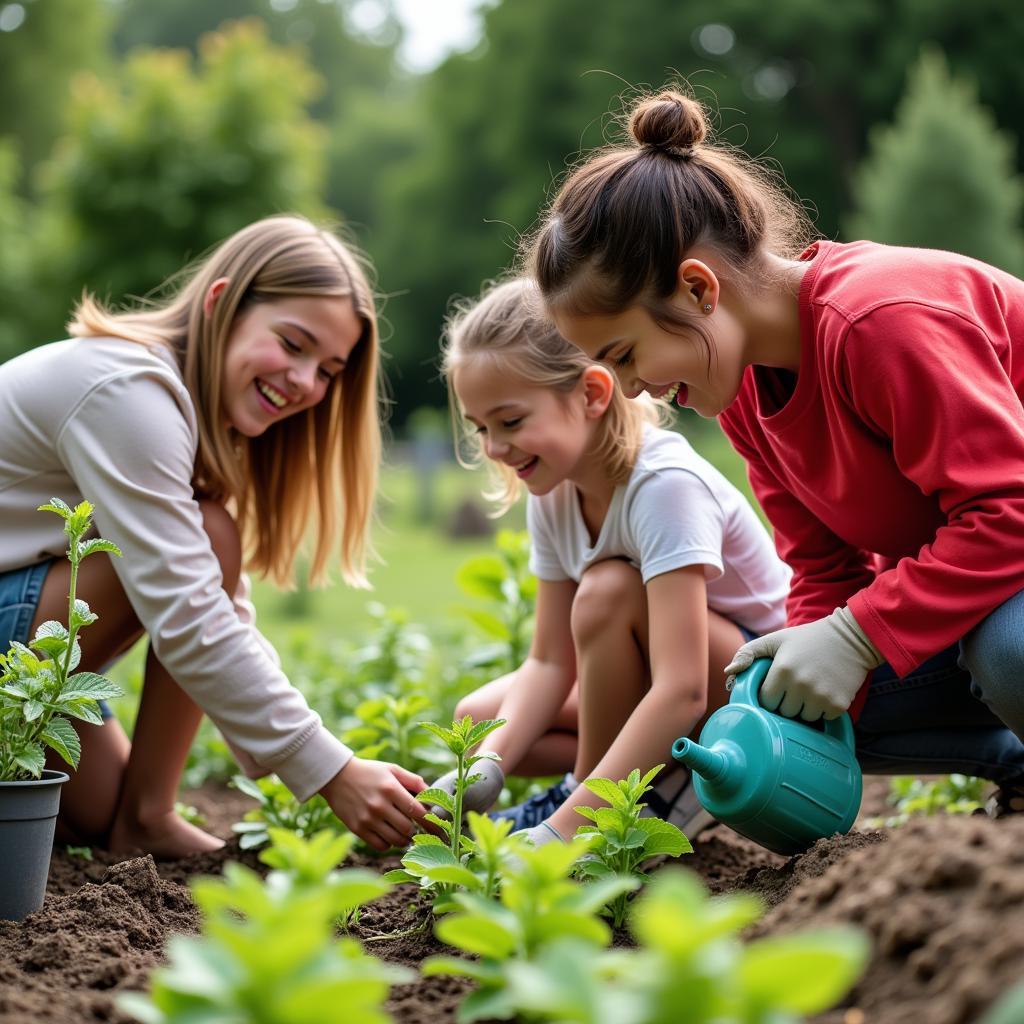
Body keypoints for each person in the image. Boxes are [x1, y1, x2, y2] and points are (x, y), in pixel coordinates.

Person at [527, 87, 1024, 813]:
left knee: (1008, 652)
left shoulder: (879, 322)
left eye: (627, 355)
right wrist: (811, 667)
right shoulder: (747, 399)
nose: (634, 392)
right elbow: (824, 568)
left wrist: (856, 637)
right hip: (998, 586)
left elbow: (1009, 509)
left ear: (698, 288)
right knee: (786, 696)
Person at [0, 215, 428, 856]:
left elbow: (220, 613)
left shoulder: (177, 408)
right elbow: (189, 611)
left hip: (18, 621)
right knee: (213, 534)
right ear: (222, 302)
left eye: (329, 369)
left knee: (95, 812)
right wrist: (329, 771)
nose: (306, 382)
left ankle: (141, 817)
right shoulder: (130, 394)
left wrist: (301, 749)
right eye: (292, 343)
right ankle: (148, 813)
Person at [436, 278, 790, 844]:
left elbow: (682, 690)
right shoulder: (552, 490)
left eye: (510, 421)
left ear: (592, 395)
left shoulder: (664, 486)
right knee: (478, 724)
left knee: (608, 590)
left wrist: (562, 829)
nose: (496, 449)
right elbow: (550, 662)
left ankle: (595, 811)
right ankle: (630, 785)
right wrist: (488, 767)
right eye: (482, 429)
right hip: (675, 675)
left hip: (758, 702)